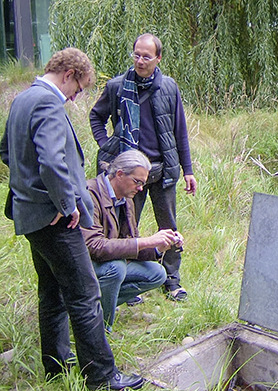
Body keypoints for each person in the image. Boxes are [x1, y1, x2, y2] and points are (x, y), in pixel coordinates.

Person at [0, 48, 143, 390]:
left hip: (31, 216)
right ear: (68, 73)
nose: (76, 97)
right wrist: (65, 205)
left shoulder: (22, 100)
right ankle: (102, 377)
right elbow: (51, 162)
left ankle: (56, 367)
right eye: (78, 88)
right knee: (84, 293)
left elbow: (7, 152)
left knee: (52, 292)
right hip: (56, 220)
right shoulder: (48, 102)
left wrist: (32, 197)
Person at [90, 33, 197, 302]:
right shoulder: (116, 87)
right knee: (125, 227)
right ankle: (128, 283)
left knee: (168, 225)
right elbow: (96, 116)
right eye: (136, 55)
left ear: (158, 58)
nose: (140, 60)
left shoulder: (169, 88)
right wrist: (108, 145)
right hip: (129, 173)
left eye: (146, 56)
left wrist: (188, 170)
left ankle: (172, 281)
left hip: (162, 171)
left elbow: (179, 131)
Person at [81, 150, 184, 332]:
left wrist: (159, 246)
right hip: (84, 267)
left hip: (108, 262)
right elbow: (94, 247)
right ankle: (101, 329)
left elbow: (130, 244)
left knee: (157, 274)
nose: (141, 189)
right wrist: (145, 241)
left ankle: (90, 309)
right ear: (119, 174)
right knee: (116, 269)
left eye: (143, 183)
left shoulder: (126, 198)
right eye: (137, 182)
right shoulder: (90, 194)